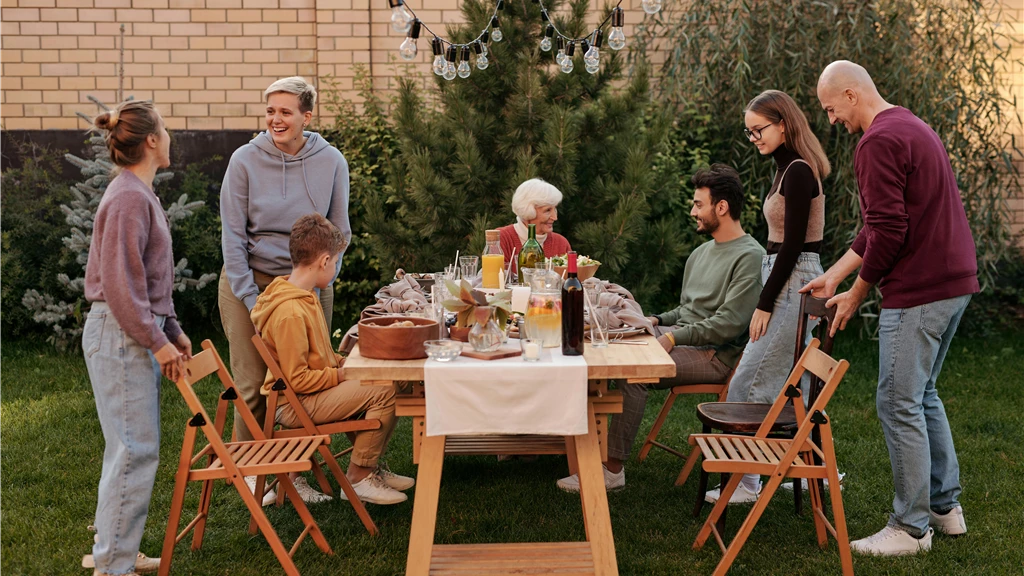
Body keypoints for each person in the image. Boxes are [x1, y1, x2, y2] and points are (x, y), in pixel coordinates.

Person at [805, 60, 978, 556]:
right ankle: (945, 510)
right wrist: (835, 274)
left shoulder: (876, 141)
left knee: (898, 402)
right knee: (922, 396)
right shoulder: (910, 124)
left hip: (920, 289)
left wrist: (857, 293)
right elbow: (881, 223)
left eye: (831, 107)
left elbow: (891, 230)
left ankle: (910, 527)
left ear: (852, 94)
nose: (831, 119)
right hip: (953, 283)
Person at [557, 164, 765, 492]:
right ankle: (568, 446)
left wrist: (671, 337)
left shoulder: (750, 257)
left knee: (633, 373)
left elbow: (728, 324)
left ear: (721, 207)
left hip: (716, 355)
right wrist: (655, 321)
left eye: (699, 204)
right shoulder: (701, 253)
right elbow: (689, 310)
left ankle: (611, 470)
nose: (693, 211)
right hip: (685, 338)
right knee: (598, 346)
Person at [219, 76, 352, 488]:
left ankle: (297, 473)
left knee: (307, 378)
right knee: (253, 387)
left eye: (285, 112)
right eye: (270, 111)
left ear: (306, 116)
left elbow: (340, 231)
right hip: (250, 281)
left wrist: (321, 277)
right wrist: (249, 297)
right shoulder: (244, 160)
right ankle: (257, 479)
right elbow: (232, 237)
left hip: (309, 283)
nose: (275, 120)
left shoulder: (331, 161)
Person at [81, 100, 192, 576]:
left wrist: (171, 330)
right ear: (150, 140)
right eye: (164, 129)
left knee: (127, 448)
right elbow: (122, 286)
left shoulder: (136, 192)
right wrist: (158, 341)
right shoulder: (128, 196)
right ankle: (112, 566)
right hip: (120, 331)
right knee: (133, 450)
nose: (169, 137)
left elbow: (147, 280)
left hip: (129, 329)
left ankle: (117, 553)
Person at [706, 89, 831, 505]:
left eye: (758, 129)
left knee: (750, 378)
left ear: (783, 123)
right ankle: (790, 468)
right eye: (749, 132)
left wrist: (764, 303)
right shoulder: (784, 169)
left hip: (793, 279)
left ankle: (746, 480)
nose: (754, 138)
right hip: (783, 274)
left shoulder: (797, 171)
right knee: (768, 376)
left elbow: (794, 243)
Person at [251, 213, 414, 505]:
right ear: (324, 261)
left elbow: (319, 358)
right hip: (292, 405)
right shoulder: (290, 312)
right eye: (336, 262)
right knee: (384, 389)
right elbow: (297, 379)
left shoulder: (305, 296)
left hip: (311, 393)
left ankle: (371, 467)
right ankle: (358, 477)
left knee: (396, 377)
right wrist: (343, 375)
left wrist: (345, 362)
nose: (336, 268)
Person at [498, 178, 572, 273]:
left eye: (555, 209)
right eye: (548, 210)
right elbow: (489, 280)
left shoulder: (561, 243)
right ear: (528, 210)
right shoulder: (501, 238)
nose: (555, 217)